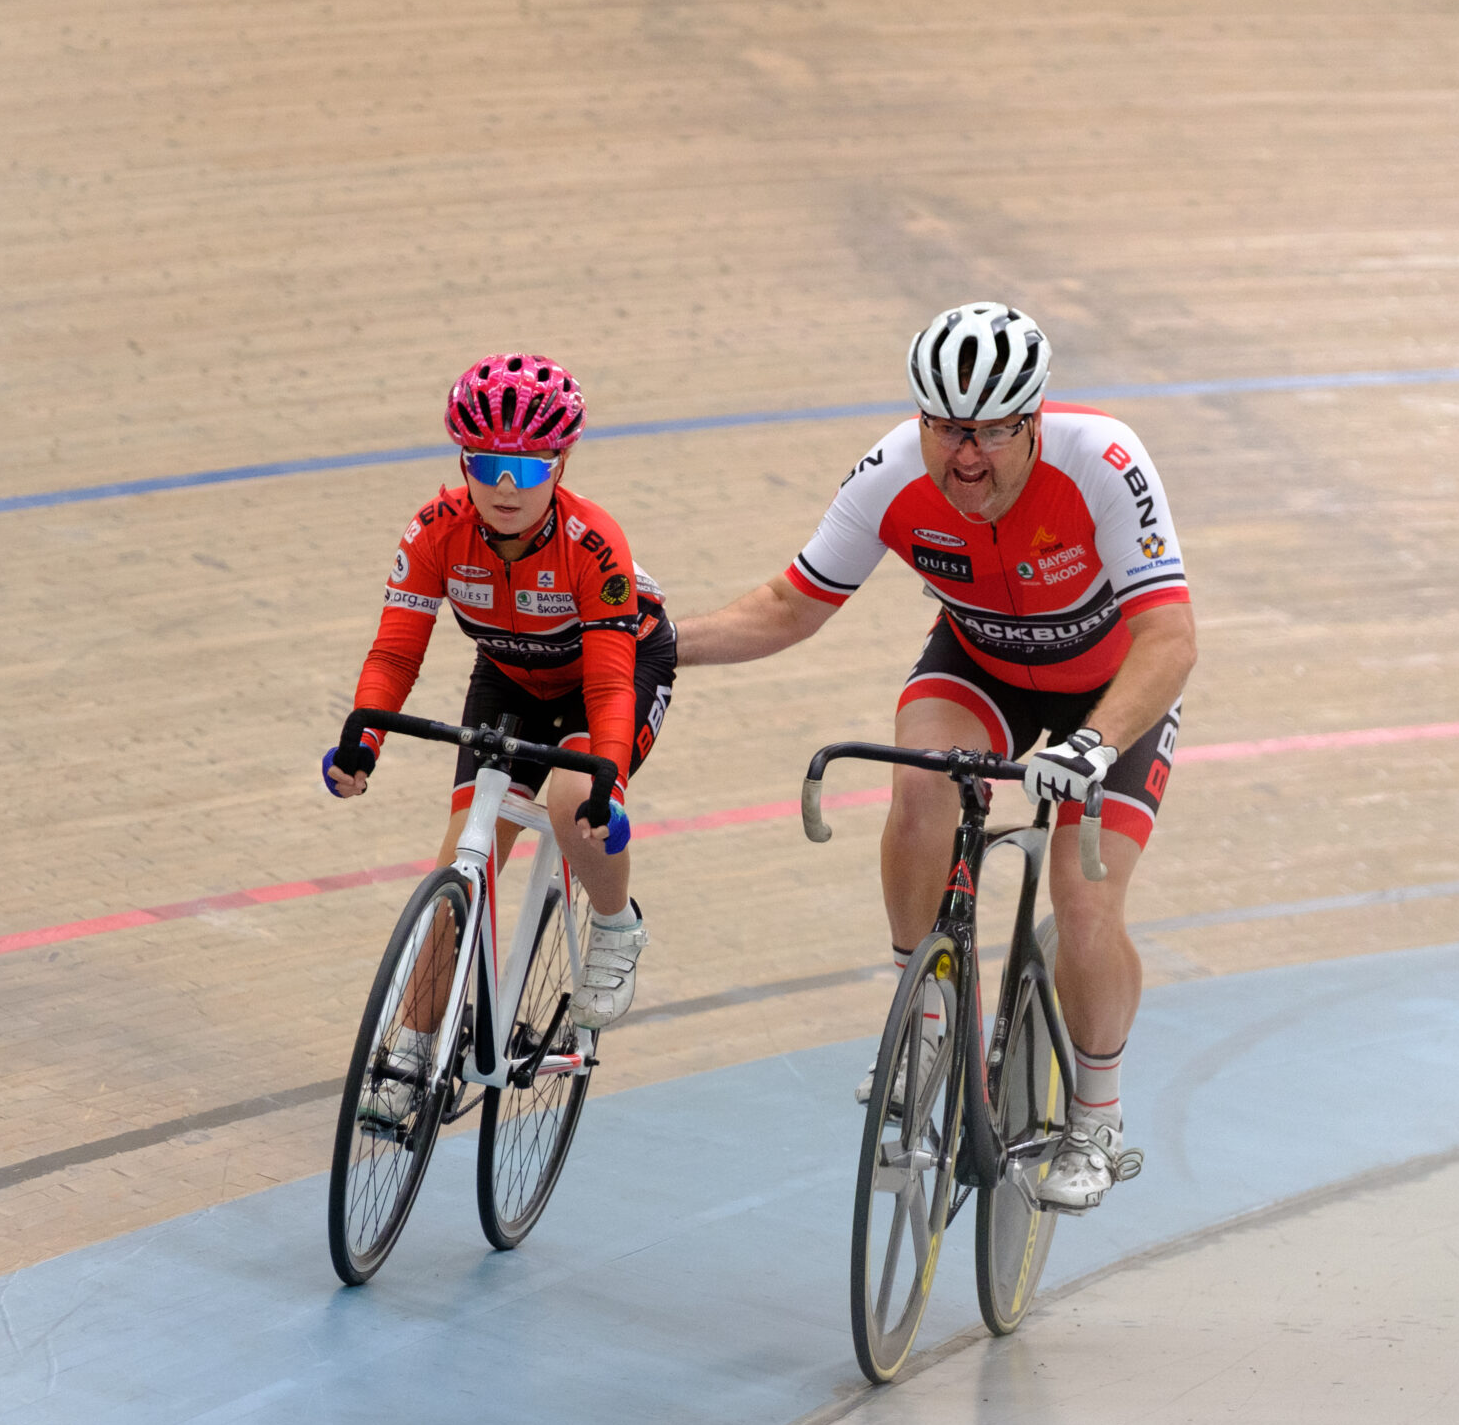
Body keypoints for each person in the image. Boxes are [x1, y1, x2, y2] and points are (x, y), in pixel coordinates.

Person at [674, 303, 1196, 1210]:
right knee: (919, 788)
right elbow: (789, 607)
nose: (968, 456)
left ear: (1034, 421)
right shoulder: (890, 475)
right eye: (948, 429)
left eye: (993, 431)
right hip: (982, 665)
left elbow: (1171, 639)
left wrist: (1097, 740)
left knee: (1083, 901)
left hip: (1113, 691)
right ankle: (924, 1021)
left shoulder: (1104, 462)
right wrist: (658, 644)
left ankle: (1096, 1116)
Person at [326, 356, 672, 1119]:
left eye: (529, 466)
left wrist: (608, 782)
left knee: (572, 797)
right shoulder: (435, 531)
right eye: (488, 465)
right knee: (461, 865)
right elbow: (394, 656)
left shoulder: (594, 543)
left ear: (561, 463)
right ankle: (410, 1051)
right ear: (463, 463)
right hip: (510, 674)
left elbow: (609, 688)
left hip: (610, 670)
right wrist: (364, 743)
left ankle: (616, 923)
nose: (507, 487)